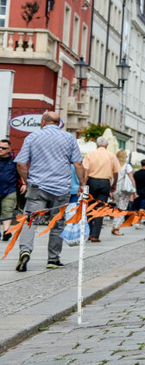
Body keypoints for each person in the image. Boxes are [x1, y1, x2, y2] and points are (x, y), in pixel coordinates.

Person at [15, 112, 85, 271]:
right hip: (61, 188)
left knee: (30, 221)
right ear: (59, 123)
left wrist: (28, 181)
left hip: (37, 187)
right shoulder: (69, 138)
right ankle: (53, 259)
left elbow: (20, 163)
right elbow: (78, 163)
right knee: (57, 224)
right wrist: (82, 184)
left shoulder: (32, 137)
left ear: (43, 122)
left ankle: (25, 251)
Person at [82, 136, 120, 242]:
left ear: (96, 144)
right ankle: (95, 235)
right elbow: (116, 172)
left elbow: (85, 170)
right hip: (104, 183)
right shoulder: (111, 155)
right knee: (101, 208)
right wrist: (114, 183)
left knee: (90, 207)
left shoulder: (90, 154)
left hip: (92, 182)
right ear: (107, 145)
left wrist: (84, 183)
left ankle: (89, 233)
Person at [0, 139, 23, 242]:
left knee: (7, 210)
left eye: (3, 148)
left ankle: (6, 231)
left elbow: (21, 173)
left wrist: (24, 184)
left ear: (9, 149)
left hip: (10, 189)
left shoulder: (14, 161)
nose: (0, 149)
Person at [111, 150, 135, 236]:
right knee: (122, 209)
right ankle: (116, 228)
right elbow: (131, 178)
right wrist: (134, 190)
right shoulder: (127, 166)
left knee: (117, 208)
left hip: (115, 189)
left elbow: (111, 178)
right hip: (124, 190)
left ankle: (115, 225)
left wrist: (110, 191)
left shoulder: (113, 165)